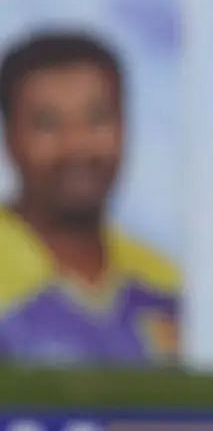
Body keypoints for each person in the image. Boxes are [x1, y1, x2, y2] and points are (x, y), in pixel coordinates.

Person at [0, 31, 180, 365]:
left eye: (97, 119)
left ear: (124, 126)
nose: (77, 145)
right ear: (10, 137)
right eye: (47, 124)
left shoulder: (164, 283)